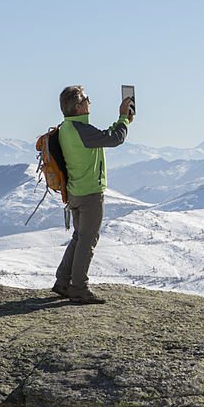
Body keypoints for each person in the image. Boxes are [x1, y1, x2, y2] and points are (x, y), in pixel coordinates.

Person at [51, 85, 134, 303]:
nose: (90, 102)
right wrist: (123, 118)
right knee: (88, 240)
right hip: (90, 194)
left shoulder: (67, 129)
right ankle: (79, 288)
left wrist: (121, 122)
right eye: (87, 99)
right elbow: (115, 139)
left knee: (79, 237)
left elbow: (103, 136)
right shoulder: (81, 130)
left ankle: (62, 282)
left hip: (75, 193)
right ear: (78, 106)